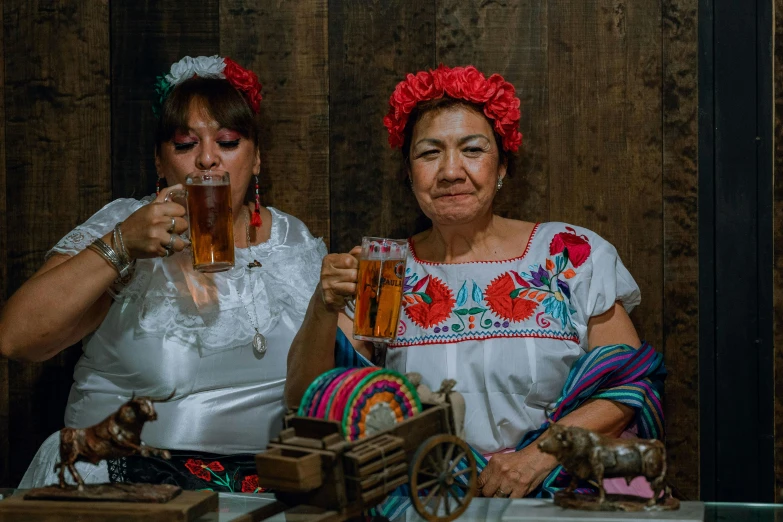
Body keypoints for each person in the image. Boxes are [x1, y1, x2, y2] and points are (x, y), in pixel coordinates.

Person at [285, 65, 665, 501]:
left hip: (552, 497)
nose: (450, 171)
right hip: (424, 499)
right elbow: (304, 398)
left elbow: (633, 387)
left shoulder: (567, 253)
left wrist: (540, 456)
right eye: (429, 153)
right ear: (408, 174)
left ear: (502, 165)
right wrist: (322, 305)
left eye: (472, 149)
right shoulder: (383, 270)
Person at [1, 55, 327, 492]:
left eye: (228, 142)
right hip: (124, 483)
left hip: (264, 490)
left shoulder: (293, 240)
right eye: (185, 144)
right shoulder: (125, 225)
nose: (208, 160)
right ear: (160, 162)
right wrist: (121, 246)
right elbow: (16, 338)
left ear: (257, 160)